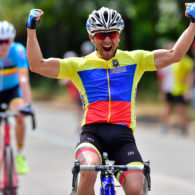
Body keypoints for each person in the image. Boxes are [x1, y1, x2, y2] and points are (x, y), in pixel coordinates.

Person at [26, 4, 195, 195]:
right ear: (91, 37)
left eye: (112, 34)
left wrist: (193, 24)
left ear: (119, 36)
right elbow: (37, 65)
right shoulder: (79, 65)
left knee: (135, 188)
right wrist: (31, 30)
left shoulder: (135, 60)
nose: (107, 39)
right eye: (100, 35)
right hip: (92, 133)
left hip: (122, 136)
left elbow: (175, 55)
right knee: (88, 170)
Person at [0, 21, 33, 174]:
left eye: (6, 41)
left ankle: (19, 154)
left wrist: (27, 105)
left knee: (20, 115)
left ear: (11, 40)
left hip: (13, 90)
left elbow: (24, 80)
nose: (3, 45)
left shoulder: (18, 51)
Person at [157, 42, 194, 135]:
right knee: (168, 108)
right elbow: (161, 78)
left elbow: (189, 76)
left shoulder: (184, 61)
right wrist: (161, 90)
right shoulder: (164, 62)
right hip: (168, 89)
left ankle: (183, 127)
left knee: (181, 109)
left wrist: (187, 90)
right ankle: (163, 127)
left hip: (180, 89)